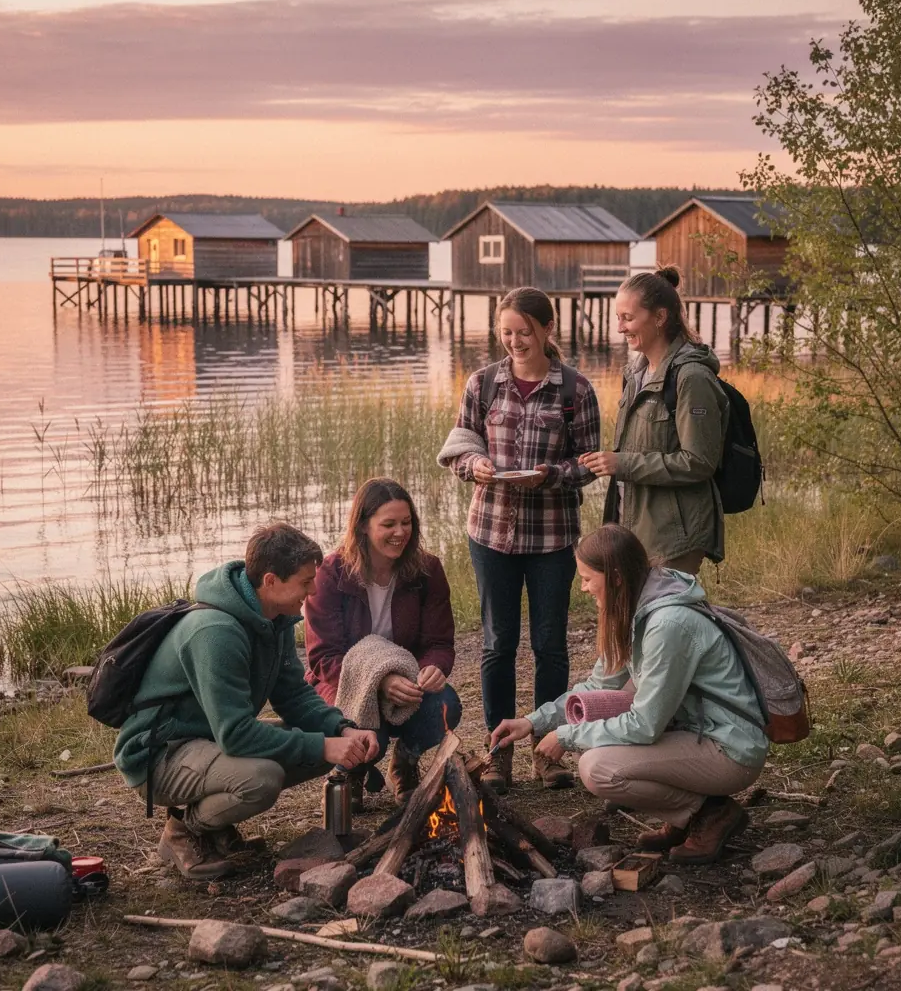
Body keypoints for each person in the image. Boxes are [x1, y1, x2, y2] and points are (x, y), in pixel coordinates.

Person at [114, 522, 379, 880]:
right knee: (262, 778)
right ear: (270, 581)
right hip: (158, 752)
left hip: (207, 740)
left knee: (321, 747)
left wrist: (342, 729)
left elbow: (294, 695)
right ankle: (185, 829)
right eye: (305, 582)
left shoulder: (276, 618)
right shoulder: (216, 632)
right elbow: (236, 734)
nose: (313, 589)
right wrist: (323, 746)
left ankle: (216, 827)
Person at [490, 524, 767, 865]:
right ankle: (687, 817)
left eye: (589, 578)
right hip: (697, 733)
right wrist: (532, 722)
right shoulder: (636, 606)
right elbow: (597, 687)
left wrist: (567, 736)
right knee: (593, 746)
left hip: (730, 746)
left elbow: (645, 725)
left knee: (597, 767)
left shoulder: (668, 624)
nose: (583, 587)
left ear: (617, 576)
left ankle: (710, 813)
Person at [439, 286, 600, 794]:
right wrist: (476, 466)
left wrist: (548, 475)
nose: (513, 341)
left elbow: (589, 465)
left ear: (547, 329)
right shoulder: (483, 383)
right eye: (505, 332)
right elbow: (461, 444)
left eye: (523, 332)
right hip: (490, 534)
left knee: (550, 647)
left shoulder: (576, 391)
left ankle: (547, 751)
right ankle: (499, 752)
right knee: (496, 645)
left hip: (553, 537)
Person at [303, 478, 460, 810]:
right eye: (388, 524)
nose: (400, 532)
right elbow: (323, 657)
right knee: (358, 719)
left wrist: (433, 668)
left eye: (406, 523)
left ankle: (405, 761)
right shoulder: (330, 574)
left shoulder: (427, 569)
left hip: (407, 682)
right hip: (342, 682)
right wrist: (380, 681)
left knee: (447, 704)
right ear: (362, 525)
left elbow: (439, 641)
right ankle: (352, 771)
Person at [579, 266, 728, 574]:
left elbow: (698, 461)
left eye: (628, 318)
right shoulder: (635, 374)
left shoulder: (692, 378)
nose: (620, 328)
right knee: (635, 618)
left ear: (659, 318)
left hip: (673, 537)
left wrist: (622, 464)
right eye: (618, 317)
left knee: (666, 619)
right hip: (633, 528)